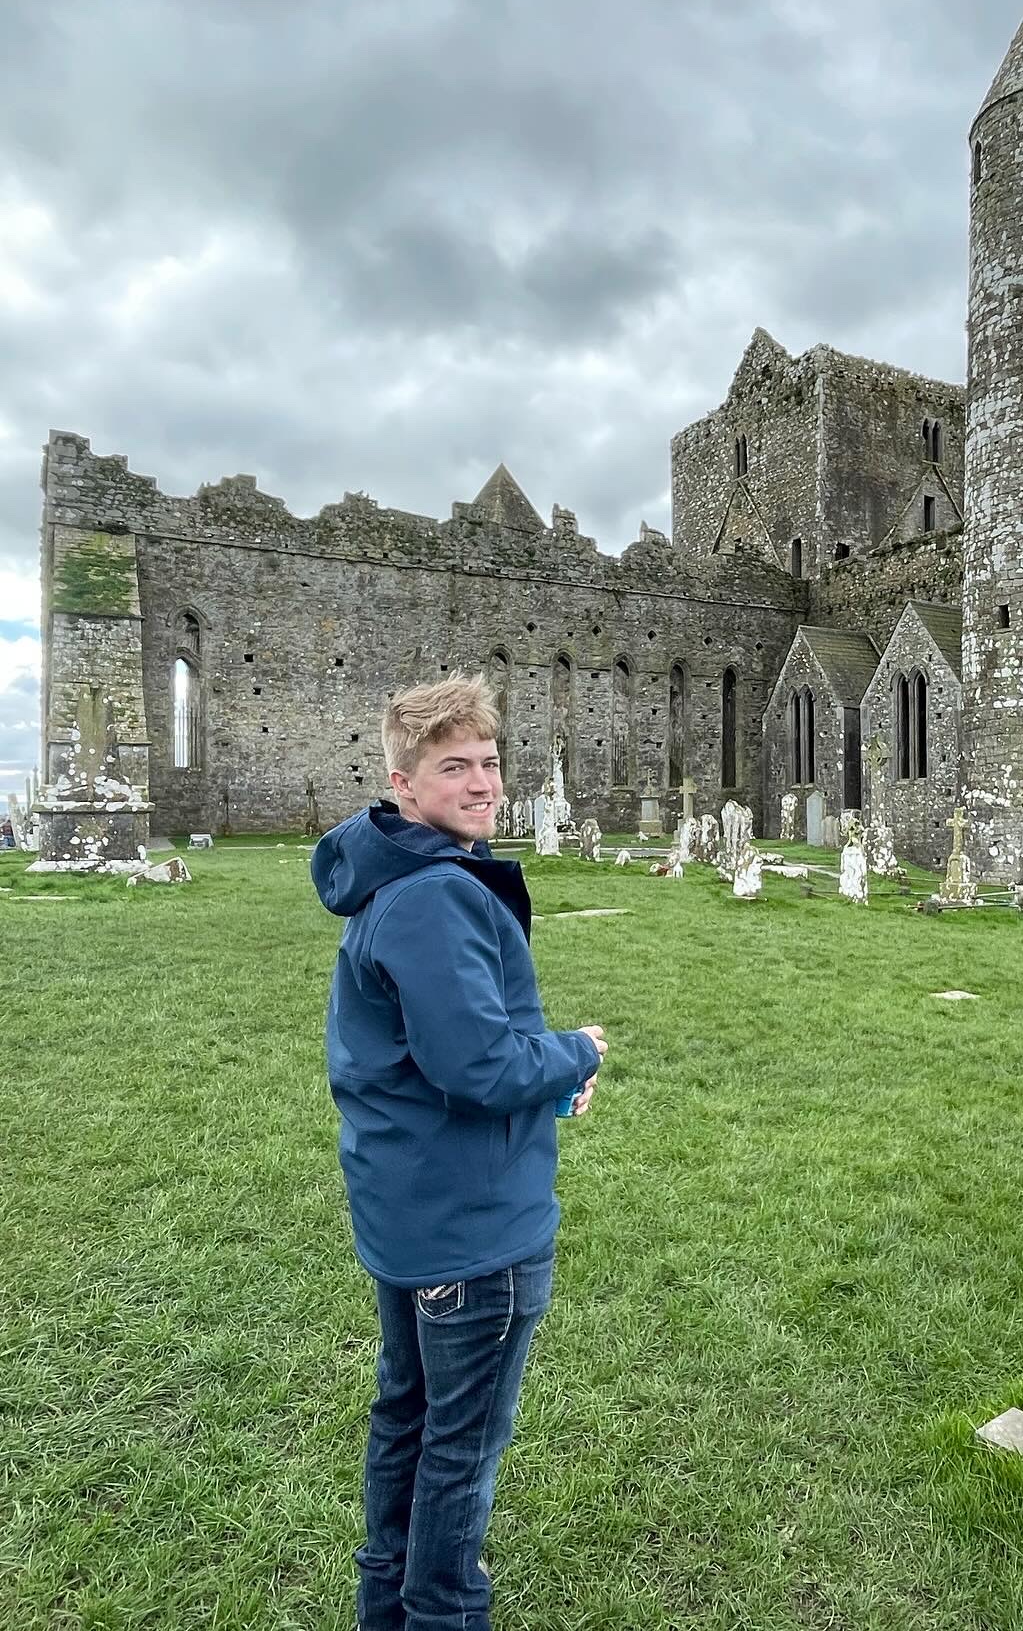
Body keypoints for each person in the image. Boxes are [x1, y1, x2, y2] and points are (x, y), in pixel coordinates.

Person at [311, 674, 606, 1630]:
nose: (483, 783)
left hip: (416, 1211)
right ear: (403, 782)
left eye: (489, 761)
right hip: (474, 1231)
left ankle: (384, 1611)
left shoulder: (399, 877)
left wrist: (547, 1079)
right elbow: (477, 1063)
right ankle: (438, 1613)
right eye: (455, 767)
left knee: (408, 1419)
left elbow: (435, 1055)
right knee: (460, 1451)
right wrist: (579, 1052)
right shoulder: (436, 894)